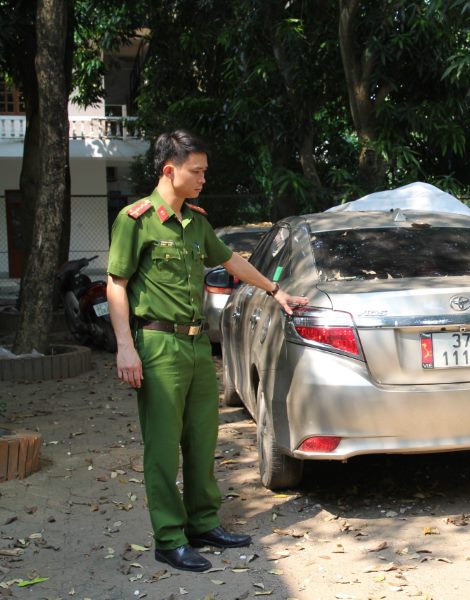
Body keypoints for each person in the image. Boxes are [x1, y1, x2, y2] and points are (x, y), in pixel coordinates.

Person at [107, 130, 307, 572]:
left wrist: (276, 291)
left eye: (203, 171)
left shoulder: (196, 222)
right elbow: (116, 285)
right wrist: (126, 348)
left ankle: (202, 523)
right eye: (196, 171)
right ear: (169, 169)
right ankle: (169, 537)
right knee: (162, 446)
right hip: (157, 344)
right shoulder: (135, 220)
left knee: (201, 439)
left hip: (197, 345)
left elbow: (231, 261)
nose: (202, 179)